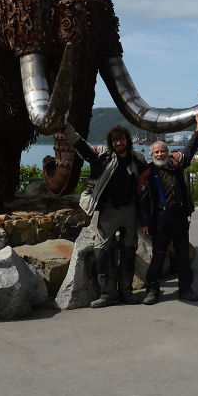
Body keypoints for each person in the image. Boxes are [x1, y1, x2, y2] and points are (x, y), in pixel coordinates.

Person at [64, 122, 147, 307]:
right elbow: (79, 144)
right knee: (100, 250)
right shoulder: (101, 157)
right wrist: (65, 127)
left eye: (122, 139)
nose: (119, 143)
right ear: (111, 142)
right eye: (115, 140)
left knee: (129, 250)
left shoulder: (137, 159)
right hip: (108, 211)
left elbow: (153, 172)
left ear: (127, 140)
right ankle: (107, 294)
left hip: (130, 210)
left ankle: (126, 292)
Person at [138, 114, 198, 305]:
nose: (160, 154)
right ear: (152, 155)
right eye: (156, 152)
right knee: (158, 256)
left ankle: (186, 289)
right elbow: (143, 200)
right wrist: (144, 223)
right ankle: (153, 291)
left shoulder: (176, 165)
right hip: (160, 218)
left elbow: (189, 151)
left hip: (180, 216)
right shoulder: (148, 173)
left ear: (167, 153)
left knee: (183, 255)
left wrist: (197, 130)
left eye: (162, 151)